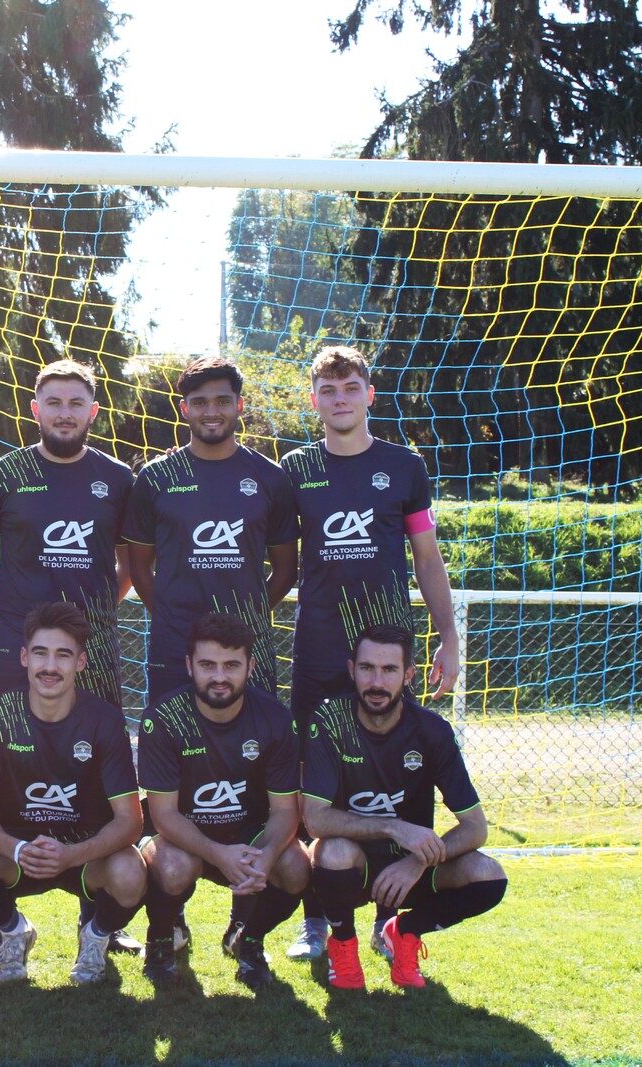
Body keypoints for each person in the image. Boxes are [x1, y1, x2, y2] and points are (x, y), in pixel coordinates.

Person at [280, 344, 462, 962]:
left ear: (369, 395)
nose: (340, 400)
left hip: (384, 656)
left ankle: (390, 920)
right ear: (314, 401)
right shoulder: (295, 468)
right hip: (318, 652)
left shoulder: (404, 466)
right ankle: (316, 922)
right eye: (328, 391)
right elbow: (277, 558)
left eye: (350, 388)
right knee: (314, 788)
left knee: (395, 778)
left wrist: (448, 637)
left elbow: (427, 558)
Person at [0, 360, 137, 956]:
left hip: (94, 654)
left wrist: (89, 626)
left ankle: (99, 916)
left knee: (96, 773)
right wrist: (11, 621)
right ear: (35, 409)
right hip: (17, 651)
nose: (64, 413)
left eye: (75, 403)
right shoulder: (6, 473)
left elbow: (129, 566)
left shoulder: (116, 478)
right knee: (4, 770)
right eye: (53, 402)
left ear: (93, 411)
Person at [123, 353, 298, 953]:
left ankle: (245, 921)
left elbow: (285, 569)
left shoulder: (269, 478)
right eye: (199, 402)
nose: (212, 411)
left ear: (239, 406)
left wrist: (241, 629)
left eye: (223, 400)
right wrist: (175, 618)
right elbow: (139, 567)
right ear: (184, 410)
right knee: (173, 779)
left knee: (254, 782)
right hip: (173, 652)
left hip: (250, 660)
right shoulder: (156, 477)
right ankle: (168, 920)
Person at [0, 602, 145, 985]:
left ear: (81, 662)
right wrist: (18, 849)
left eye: (63, 655)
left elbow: (130, 821)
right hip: (18, 854)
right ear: (24, 657)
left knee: (130, 872)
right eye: (40, 653)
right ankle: (13, 929)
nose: (50, 666)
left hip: (83, 855)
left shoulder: (105, 720)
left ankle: (96, 936)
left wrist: (72, 854)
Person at [303, 625, 507, 989]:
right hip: (353, 867)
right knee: (331, 851)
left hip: (410, 869)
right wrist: (393, 826)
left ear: (408, 675)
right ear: (352, 670)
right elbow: (315, 819)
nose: (376, 682)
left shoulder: (432, 731)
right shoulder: (330, 721)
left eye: (389, 670)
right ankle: (343, 944)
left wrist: (417, 862)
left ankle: (405, 931)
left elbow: (476, 827)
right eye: (367, 669)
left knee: (488, 875)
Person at [137, 613, 309, 987]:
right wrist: (218, 854)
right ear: (189, 666)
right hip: (184, 837)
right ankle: (161, 941)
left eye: (231, 665)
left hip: (248, 836)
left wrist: (266, 855)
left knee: (296, 865)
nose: (219, 676)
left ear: (250, 666)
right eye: (208, 665)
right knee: (172, 865)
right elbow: (163, 815)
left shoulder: (275, 719)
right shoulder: (164, 718)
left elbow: (285, 810)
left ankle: (249, 941)